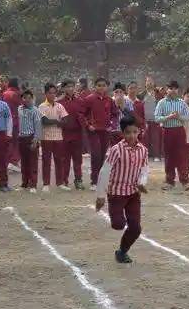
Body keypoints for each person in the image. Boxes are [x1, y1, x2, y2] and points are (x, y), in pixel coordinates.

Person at [95, 115, 149, 264]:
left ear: (139, 131)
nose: (132, 136)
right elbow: (105, 171)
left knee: (136, 228)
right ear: (122, 133)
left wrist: (141, 182)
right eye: (128, 132)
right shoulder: (116, 150)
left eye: (135, 132)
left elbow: (144, 169)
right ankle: (117, 218)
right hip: (117, 193)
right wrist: (101, 195)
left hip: (133, 193)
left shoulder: (143, 150)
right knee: (118, 224)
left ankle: (122, 252)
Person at [154, 80, 189, 191]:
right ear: (167, 90)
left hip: (179, 131)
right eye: (171, 88)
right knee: (169, 156)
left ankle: (184, 180)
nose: (173, 91)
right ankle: (169, 181)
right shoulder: (162, 103)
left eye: (175, 88)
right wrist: (168, 117)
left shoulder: (182, 102)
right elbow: (156, 118)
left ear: (178, 90)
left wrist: (179, 117)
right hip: (167, 131)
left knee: (182, 155)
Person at [82, 78, 114, 189]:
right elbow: (82, 114)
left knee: (102, 156)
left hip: (105, 131)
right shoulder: (89, 99)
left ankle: (100, 180)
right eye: (99, 85)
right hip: (93, 131)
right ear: (95, 87)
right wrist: (88, 125)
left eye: (103, 85)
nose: (101, 87)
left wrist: (111, 125)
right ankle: (94, 181)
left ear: (107, 87)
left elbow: (115, 114)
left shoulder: (109, 100)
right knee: (96, 155)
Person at [39, 83, 70, 192]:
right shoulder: (42, 106)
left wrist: (58, 122)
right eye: (50, 93)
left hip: (58, 137)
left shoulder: (59, 106)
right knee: (46, 161)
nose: (52, 95)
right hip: (46, 137)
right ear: (45, 94)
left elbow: (66, 120)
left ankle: (60, 183)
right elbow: (44, 121)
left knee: (59, 160)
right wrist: (57, 121)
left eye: (54, 93)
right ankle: (46, 184)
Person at [58, 79, 87, 190]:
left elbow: (84, 116)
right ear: (63, 88)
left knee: (77, 159)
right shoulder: (59, 102)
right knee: (64, 159)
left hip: (77, 133)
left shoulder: (80, 101)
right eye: (68, 86)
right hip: (64, 133)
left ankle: (78, 180)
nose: (70, 88)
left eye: (72, 86)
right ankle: (64, 180)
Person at [18, 89, 43, 192]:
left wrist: (35, 140)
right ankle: (24, 183)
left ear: (32, 99)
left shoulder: (35, 110)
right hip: (21, 138)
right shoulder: (19, 109)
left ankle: (33, 185)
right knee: (24, 162)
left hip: (31, 138)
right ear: (22, 99)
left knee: (32, 162)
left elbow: (38, 126)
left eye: (29, 98)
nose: (27, 100)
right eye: (25, 98)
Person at [2, 77, 23, 171]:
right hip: (15, 121)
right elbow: (22, 105)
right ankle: (13, 161)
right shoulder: (16, 94)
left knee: (9, 142)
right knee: (16, 142)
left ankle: (8, 162)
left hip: (5, 121)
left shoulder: (5, 93)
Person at [141, 77, 162, 161]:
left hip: (155, 120)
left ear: (154, 83)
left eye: (151, 81)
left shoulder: (158, 94)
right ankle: (145, 155)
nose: (149, 83)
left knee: (155, 138)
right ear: (145, 83)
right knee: (145, 138)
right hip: (145, 120)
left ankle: (156, 155)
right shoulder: (142, 94)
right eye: (148, 81)